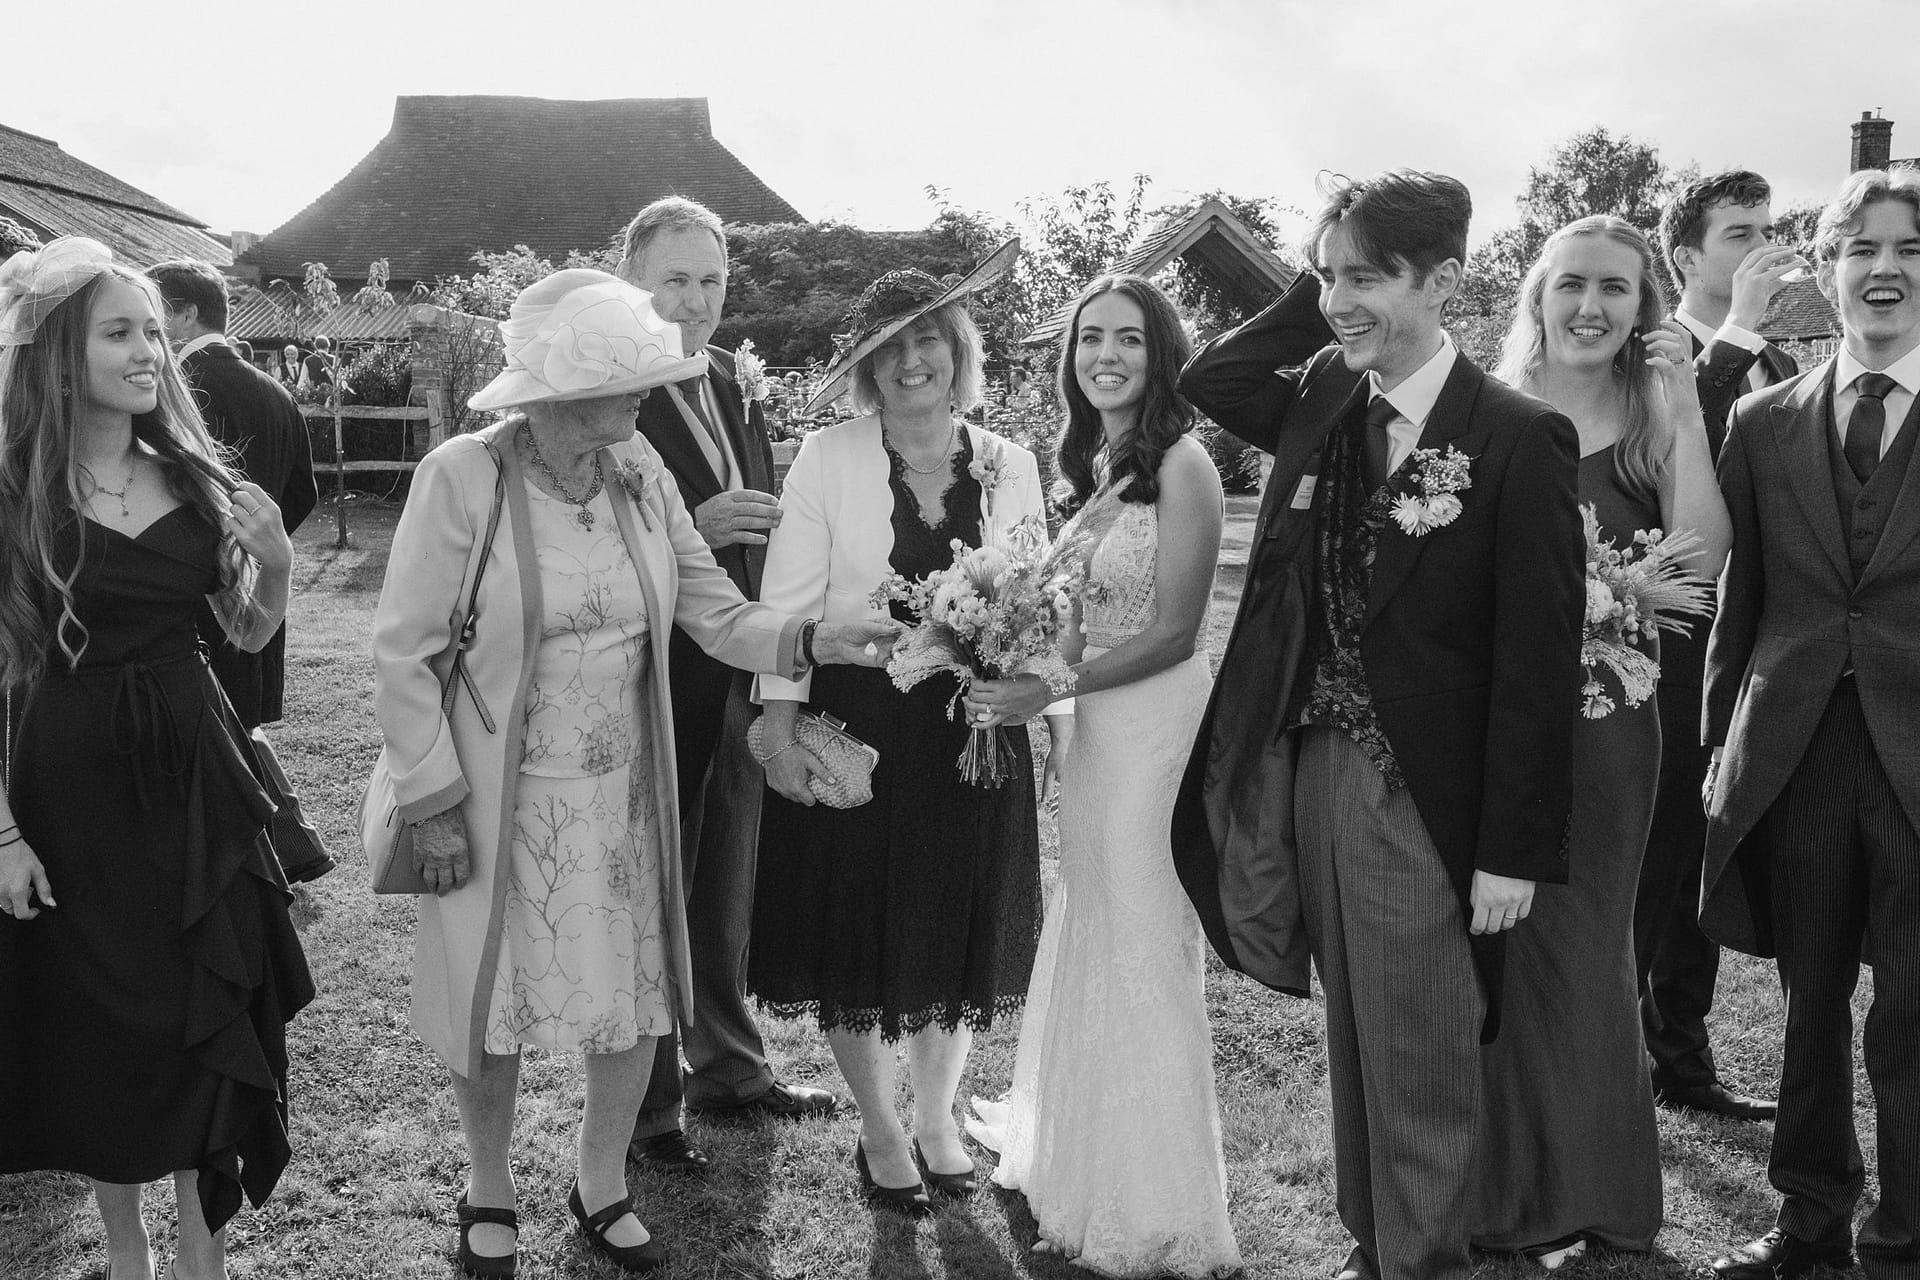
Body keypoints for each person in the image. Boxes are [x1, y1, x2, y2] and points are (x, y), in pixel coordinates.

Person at [371, 269, 894, 1277]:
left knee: (634, 993)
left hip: (625, 791)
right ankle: (489, 1186)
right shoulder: (464, 476)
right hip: (497, 792)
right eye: (628, 380)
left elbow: (713, 610)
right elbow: (404, 652)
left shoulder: (639, 465)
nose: (648, 393)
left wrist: (814, 638)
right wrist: (432, 802)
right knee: (493, 997)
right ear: (561, 393)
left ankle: (601, 1180)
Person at [1170, 170, 1586, 1280]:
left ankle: (1425, 1259)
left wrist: (1510, 848)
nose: (1336, 299)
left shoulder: (1518, 436)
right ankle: (1376, 1239)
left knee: (1421, 1034)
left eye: (1367, 276)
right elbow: (1215, 374)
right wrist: (1334, 293)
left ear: (1443, 281)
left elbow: (1538, 665)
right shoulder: (1321, 397)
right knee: (1355, 1021)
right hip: (1313, 761)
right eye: (1325, 276)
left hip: (1425, 787)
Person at [0, 237, 314, 1280]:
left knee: (199, 1011)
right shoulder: (14, 492)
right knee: (106, 1021)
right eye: (119, 333)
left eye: (151, 331)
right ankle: (126, 1246)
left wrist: (277, 568)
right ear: (60, 354)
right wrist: (4, 835)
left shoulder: (193, 475)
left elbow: (245, 631)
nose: (149, 351)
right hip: (68, 791)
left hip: (196, 782)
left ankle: (201, 1257)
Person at [749, 245, 1062, 1213]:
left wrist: (1044, 705)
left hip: (973, 732)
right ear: (866, 368)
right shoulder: (827, 458)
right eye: (888, 348)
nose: (911, 360)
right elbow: (787, 600)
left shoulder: (1011, 464)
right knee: (854, 924)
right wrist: (778, 727)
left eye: (929, 339)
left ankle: (934, 1118)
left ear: (959, 351)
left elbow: (1043, 600)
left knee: (952, 923)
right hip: (862, 723)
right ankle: (880, 1130)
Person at [962, 274, 1240, 1276]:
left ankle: (1156, 1197)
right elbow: (1074, 616)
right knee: (1091, 916)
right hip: (1092, 731)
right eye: (1090, 339)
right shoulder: (1097, 466)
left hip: (1155, 725)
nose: (1106, 356)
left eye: (1128, 338)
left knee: (1142, 934)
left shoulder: (1185, 465)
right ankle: (1077, 1154)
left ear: (1161, 353)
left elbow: (1176, 631)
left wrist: (1054, 686)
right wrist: (1034, 690)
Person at [1470, 215, 1732, 1266]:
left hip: (1609, 722)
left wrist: (1687, 409)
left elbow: (1700, 560)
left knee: (1586, 948)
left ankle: (1600, 1194)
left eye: (1615, 288)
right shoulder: (1488, 405)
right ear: (1537, 294)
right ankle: (1500, 1187)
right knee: (1493, 948)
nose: (1590, 306)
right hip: (1490, 723)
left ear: (1643, 307)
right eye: (1571, 283)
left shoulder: (1653, 413)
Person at [1704, 166, 1920, 1280]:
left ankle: (1908, 1235)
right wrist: (1718, 744)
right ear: (1826, 270)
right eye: (1861, 248)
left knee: (1914, 1010)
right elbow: (1737, 598)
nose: (1886, 269)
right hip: (1794, 747)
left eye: (1911, 249)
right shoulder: (1761, 419)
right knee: (1809, 1001)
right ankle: (1809, 1222)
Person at [613, 197, 836, 1178]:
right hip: (649, 672)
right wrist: (691, 525)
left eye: (711, 280)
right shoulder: (607, 387)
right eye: (675, 279)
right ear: (632, 281)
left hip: (743, 664)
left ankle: (732, 1068)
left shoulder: (735, 384)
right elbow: (581, 534)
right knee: (655, 881)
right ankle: (647, 1105)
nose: (696, 300)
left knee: (727, 877)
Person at [1637, 172, 1803, 1122]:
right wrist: (1735, 331)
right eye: (1741, 233)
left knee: (1727, 844)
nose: (1764, 248)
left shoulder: (1782, 362)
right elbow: (1669, 452)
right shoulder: (1656, 352)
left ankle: (1684, 1058)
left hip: (1769, 645)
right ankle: (1653, 1055)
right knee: (1666, 851)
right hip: (1673, 643)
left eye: (1770, 230)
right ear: (1685, 256)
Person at [149, 257, 332, 884]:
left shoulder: (172, 387)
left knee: (217, 728)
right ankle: (295, 844)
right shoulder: (274, 389)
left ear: (184, 313)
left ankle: (273, 853)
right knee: (238, 721)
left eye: (154, 314)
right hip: (259, 586)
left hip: (196, 590)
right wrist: (260, 552)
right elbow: (303, 491)